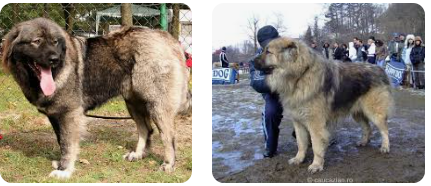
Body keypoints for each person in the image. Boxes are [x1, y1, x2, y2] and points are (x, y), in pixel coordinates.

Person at [249, 25, 283, 158]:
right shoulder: (258, 58)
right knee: (270, 113)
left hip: (297, 92)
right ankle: (270, 146)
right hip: (274, 92)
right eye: (267, 45)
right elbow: (257, 83)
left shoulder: (289, 50)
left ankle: (304, 136)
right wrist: (282, 81)